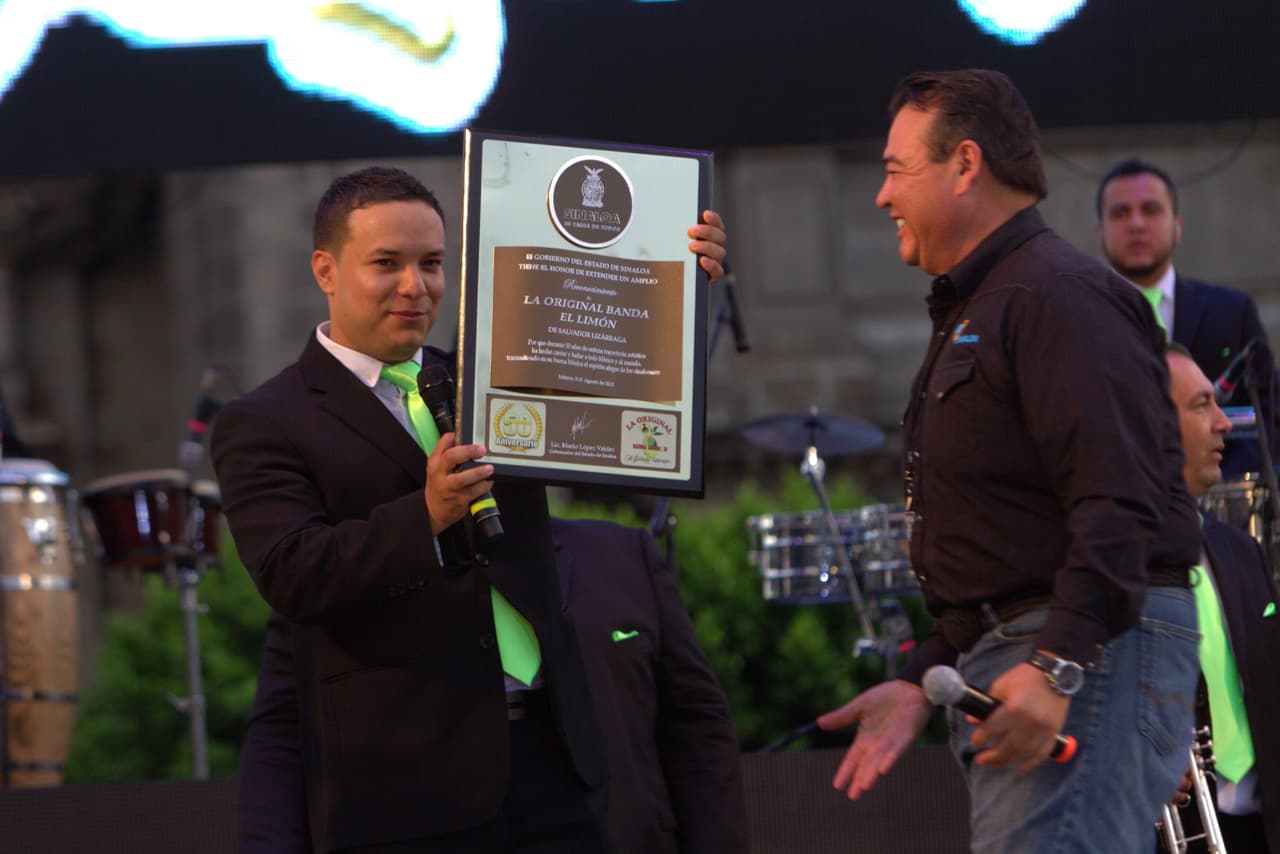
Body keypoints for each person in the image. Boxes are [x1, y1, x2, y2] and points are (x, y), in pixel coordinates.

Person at [210, 165, 727, 853]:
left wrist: (676, 276)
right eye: (385, 264)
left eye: (431, 263)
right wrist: (424, 515)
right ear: (326, 271)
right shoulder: (267, 419)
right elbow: (291, 572)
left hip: (558, 759)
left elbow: (611, 374)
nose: (414, 286)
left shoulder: (487, 375)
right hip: (407, 787)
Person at [816, 70, 1201, 853]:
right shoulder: (994, 300)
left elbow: (1119, 496)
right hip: (1033, 656)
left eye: (896, 170)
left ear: (965, 164)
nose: (882, 197)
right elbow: (1012, 530)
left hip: (1079, 657)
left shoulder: (1056, 295)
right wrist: (923, 674)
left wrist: (1059, 662)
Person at [237, 516, 750, 854]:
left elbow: (697, 725)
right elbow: (283, 736)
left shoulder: (622, 552)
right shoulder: (342, 574)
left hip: (606, 826)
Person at [1164, 342, 1280, 853]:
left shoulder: (1241, 551)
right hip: (1179, 835)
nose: (1224, 423)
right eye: (1200, 405)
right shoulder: (1100, 562)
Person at [1097, 158, 1279, 478]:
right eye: (1120, 213)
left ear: (1177, 226)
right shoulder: (1080, 316)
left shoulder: (1232, 312)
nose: (1136, 224)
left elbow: (1268, 414)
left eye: (1151, 210)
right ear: (1101, 231)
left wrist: (1219, 481)